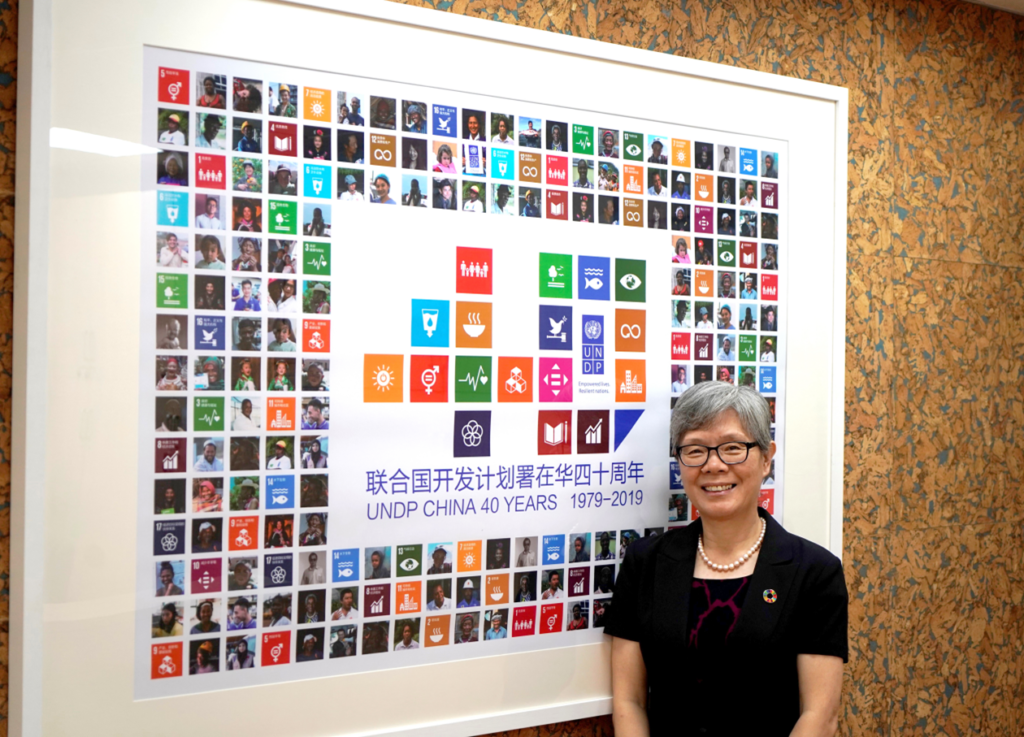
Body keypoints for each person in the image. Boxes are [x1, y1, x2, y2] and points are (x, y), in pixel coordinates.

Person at [607, 382, 848, 737]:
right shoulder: (645, 563)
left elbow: (820, 716)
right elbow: (630, 702)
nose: (714, 465)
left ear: (766, 458)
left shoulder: (814, 573)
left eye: (733, 448)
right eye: (695, 450)